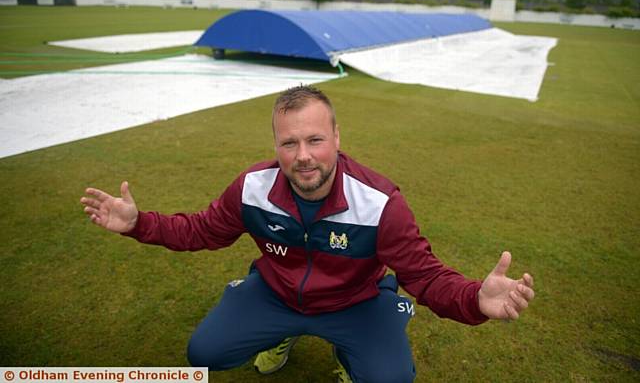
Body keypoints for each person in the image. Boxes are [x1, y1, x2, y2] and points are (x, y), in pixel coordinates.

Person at [81, 85, 534, 382]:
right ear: (275, 145)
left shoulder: (380, 202)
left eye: (315, 139)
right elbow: (201, 230)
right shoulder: (251, 188)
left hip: (354, 302)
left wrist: (476, 298)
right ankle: (284, 331)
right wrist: (138, 224)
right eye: (289, 143)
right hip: (277, 294)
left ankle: (352, 338)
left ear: (337, 136)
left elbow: (428, 277)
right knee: (204, 353)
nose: (303, 156)